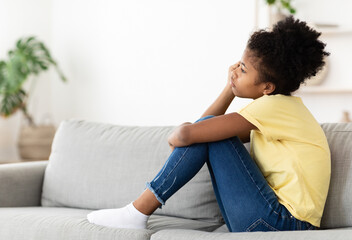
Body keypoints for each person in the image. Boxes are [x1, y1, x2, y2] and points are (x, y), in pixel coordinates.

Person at [87, 16, 331, 232]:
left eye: (243, 70)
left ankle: (137, 211)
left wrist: (180, 136)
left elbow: (188, 134)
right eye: (238, 64)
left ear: (267, 87)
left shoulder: (275, 107)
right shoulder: (278, 109)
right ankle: (137, 212)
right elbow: (201, 133)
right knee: (209, 132)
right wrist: (230, 89)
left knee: (207, 131)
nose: (235, 71)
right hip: (266, 219)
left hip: (283, 223)